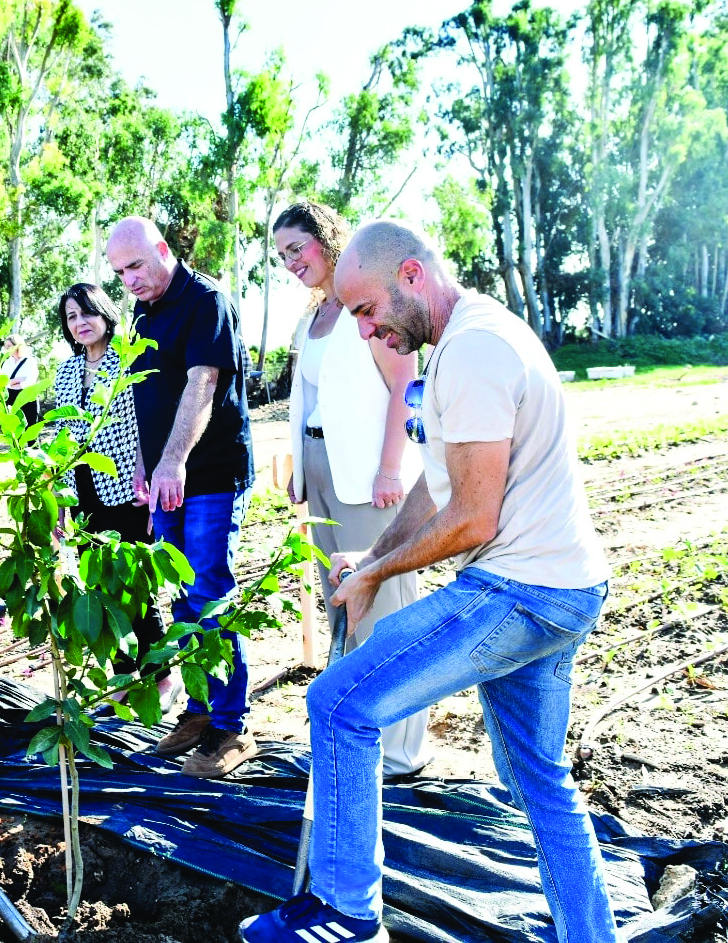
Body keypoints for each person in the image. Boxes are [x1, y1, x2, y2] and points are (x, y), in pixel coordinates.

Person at [240, 219, 616, 943]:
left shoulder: (473, 351)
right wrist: (374, 553)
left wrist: (375, 570)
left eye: (366, 310)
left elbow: (472, 519)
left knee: (341, 703)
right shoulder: (464, 339)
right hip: (564, 587)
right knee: (537, 781)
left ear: (412, 275)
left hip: (521, 592)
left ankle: (347, 913)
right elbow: (437, 487)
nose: (363, 330)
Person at [274, 202, 429, 780]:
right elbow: (308, 398)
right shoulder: (311, 317)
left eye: (298, 248)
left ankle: (404, 748)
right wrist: (299, 465)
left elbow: (402, 386)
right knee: (341, 596)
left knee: (384, 600)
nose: (291, 262)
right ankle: (363, 730)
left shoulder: (369, 306)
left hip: (368, 472)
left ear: (327, 239)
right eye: (282, 255)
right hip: (321, 466)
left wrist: (392, 469)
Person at [105, 216, 257, 779]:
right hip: (167, 480)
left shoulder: (205, 301)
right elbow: (150, 396)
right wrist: (148, 466)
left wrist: (173, 461)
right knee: (181, 597)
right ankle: (198, 710)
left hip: (210, 474)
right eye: (120, 272)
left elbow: (201, 385)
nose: (129, 281)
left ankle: (232, 728)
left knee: (210, 593)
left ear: (164, 251)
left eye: (136, 266)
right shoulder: (144, 313)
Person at [51, 282, 171, 689]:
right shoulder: (66, 370)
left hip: (125, 486)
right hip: (82, 488)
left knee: (135, 580)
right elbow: (60, 435)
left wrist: (149, 481)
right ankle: (123, 674)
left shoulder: (127, 360)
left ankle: (161, 676)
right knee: (99, 582)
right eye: (71, 317)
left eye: (87, 313)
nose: (80, 323)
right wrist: (60, 503)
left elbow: (146, 425)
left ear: (104, 314)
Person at [1, 336, 41, 430]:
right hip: (11, 399)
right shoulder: (6, 363)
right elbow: (3, 382)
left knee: (31, 431)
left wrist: (12, 383)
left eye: (9, 346)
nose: (7, 349)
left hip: (28, 397)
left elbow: (31, 381)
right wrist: (18, 380)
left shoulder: (30, 361)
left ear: (17, 346)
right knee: (15, 430)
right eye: (6, 347)